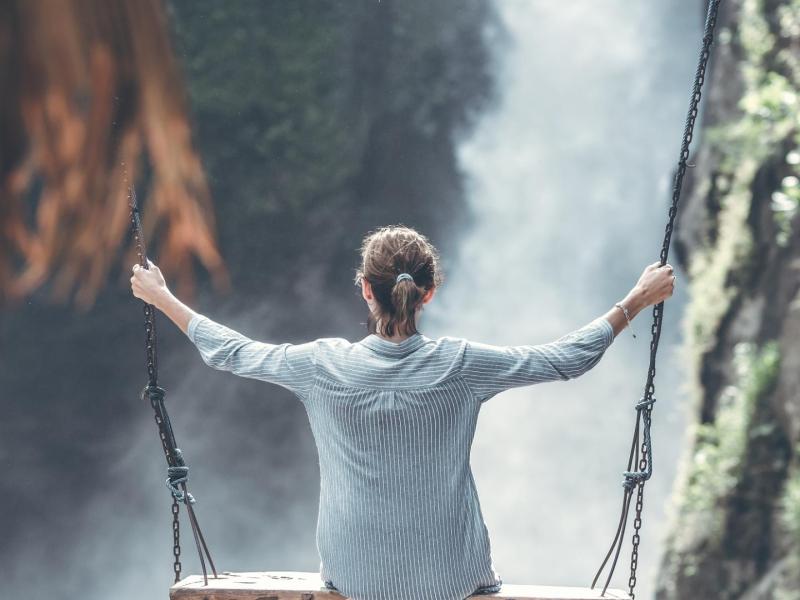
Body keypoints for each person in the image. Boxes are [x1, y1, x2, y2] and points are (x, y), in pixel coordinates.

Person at [130, 224, 675, 600]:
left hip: (356, 579)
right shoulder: (463, 366)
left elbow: (232, 351)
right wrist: (636, 299)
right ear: (428, 294)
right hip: (451, 582)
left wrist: (162, 297)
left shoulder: (320, 366)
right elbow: (564, 360)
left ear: (366, 291)